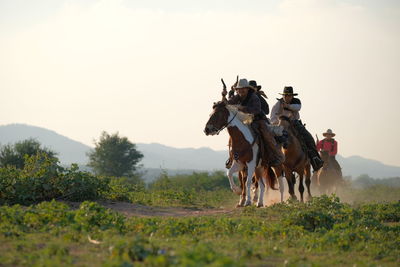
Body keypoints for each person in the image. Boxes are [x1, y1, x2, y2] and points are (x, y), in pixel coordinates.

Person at [226, 78, 284, 167]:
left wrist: (242, 108)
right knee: (233, 133)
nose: (241, 90)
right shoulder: (237, 97)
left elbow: (256, 110)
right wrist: (222, 100)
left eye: (243, 88)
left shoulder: (254, 97)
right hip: (244, 120)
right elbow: (228, 103)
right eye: (239, 89)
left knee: (266, 134)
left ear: (247, 89)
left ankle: (277, 155)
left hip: (258, 119)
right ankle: (232, 157)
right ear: (237, 90)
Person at [270, 86, 323, 172]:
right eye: (285, 95)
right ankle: (271, 160)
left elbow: (297, 107)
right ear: (283, 96)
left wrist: (287, 106)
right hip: (281, 124)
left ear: (292, 96)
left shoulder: (296, 102)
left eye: (289, 95)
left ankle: (315, 159)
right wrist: (279, 121)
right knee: (270, 139)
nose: (287, 97)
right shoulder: (277, 104)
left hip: (294, 123)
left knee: (308, 137)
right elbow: (272, 117)